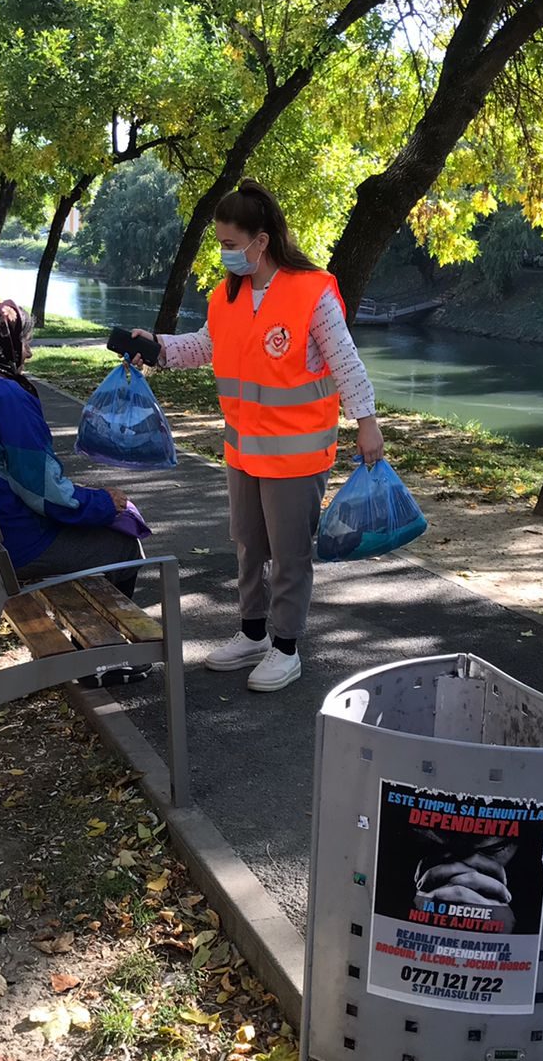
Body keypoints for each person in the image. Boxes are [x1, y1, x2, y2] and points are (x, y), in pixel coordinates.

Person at [130, 179, 384, 692]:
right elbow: (205, 347)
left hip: (297, 455)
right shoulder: (227, 297)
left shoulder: (311, 292)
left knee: (289, 554)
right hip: (243, 449)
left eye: (230, 244)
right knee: (248, 545)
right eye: (220, 244)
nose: (224, 254)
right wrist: (156, 346)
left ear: (261, 241)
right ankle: (252, 633)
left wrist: (367, 421)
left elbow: (346, 363)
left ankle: (285, 647)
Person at [0, 301, 149, 685]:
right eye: (24, 342)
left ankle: (96, 649)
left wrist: (90, 501)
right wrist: (102, 502)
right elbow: (44, 493)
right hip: (14, 543)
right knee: (123, 545)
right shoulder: (7, 397)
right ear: (4, 345)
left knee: (99, 529)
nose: (28, 353)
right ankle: (102, 659)